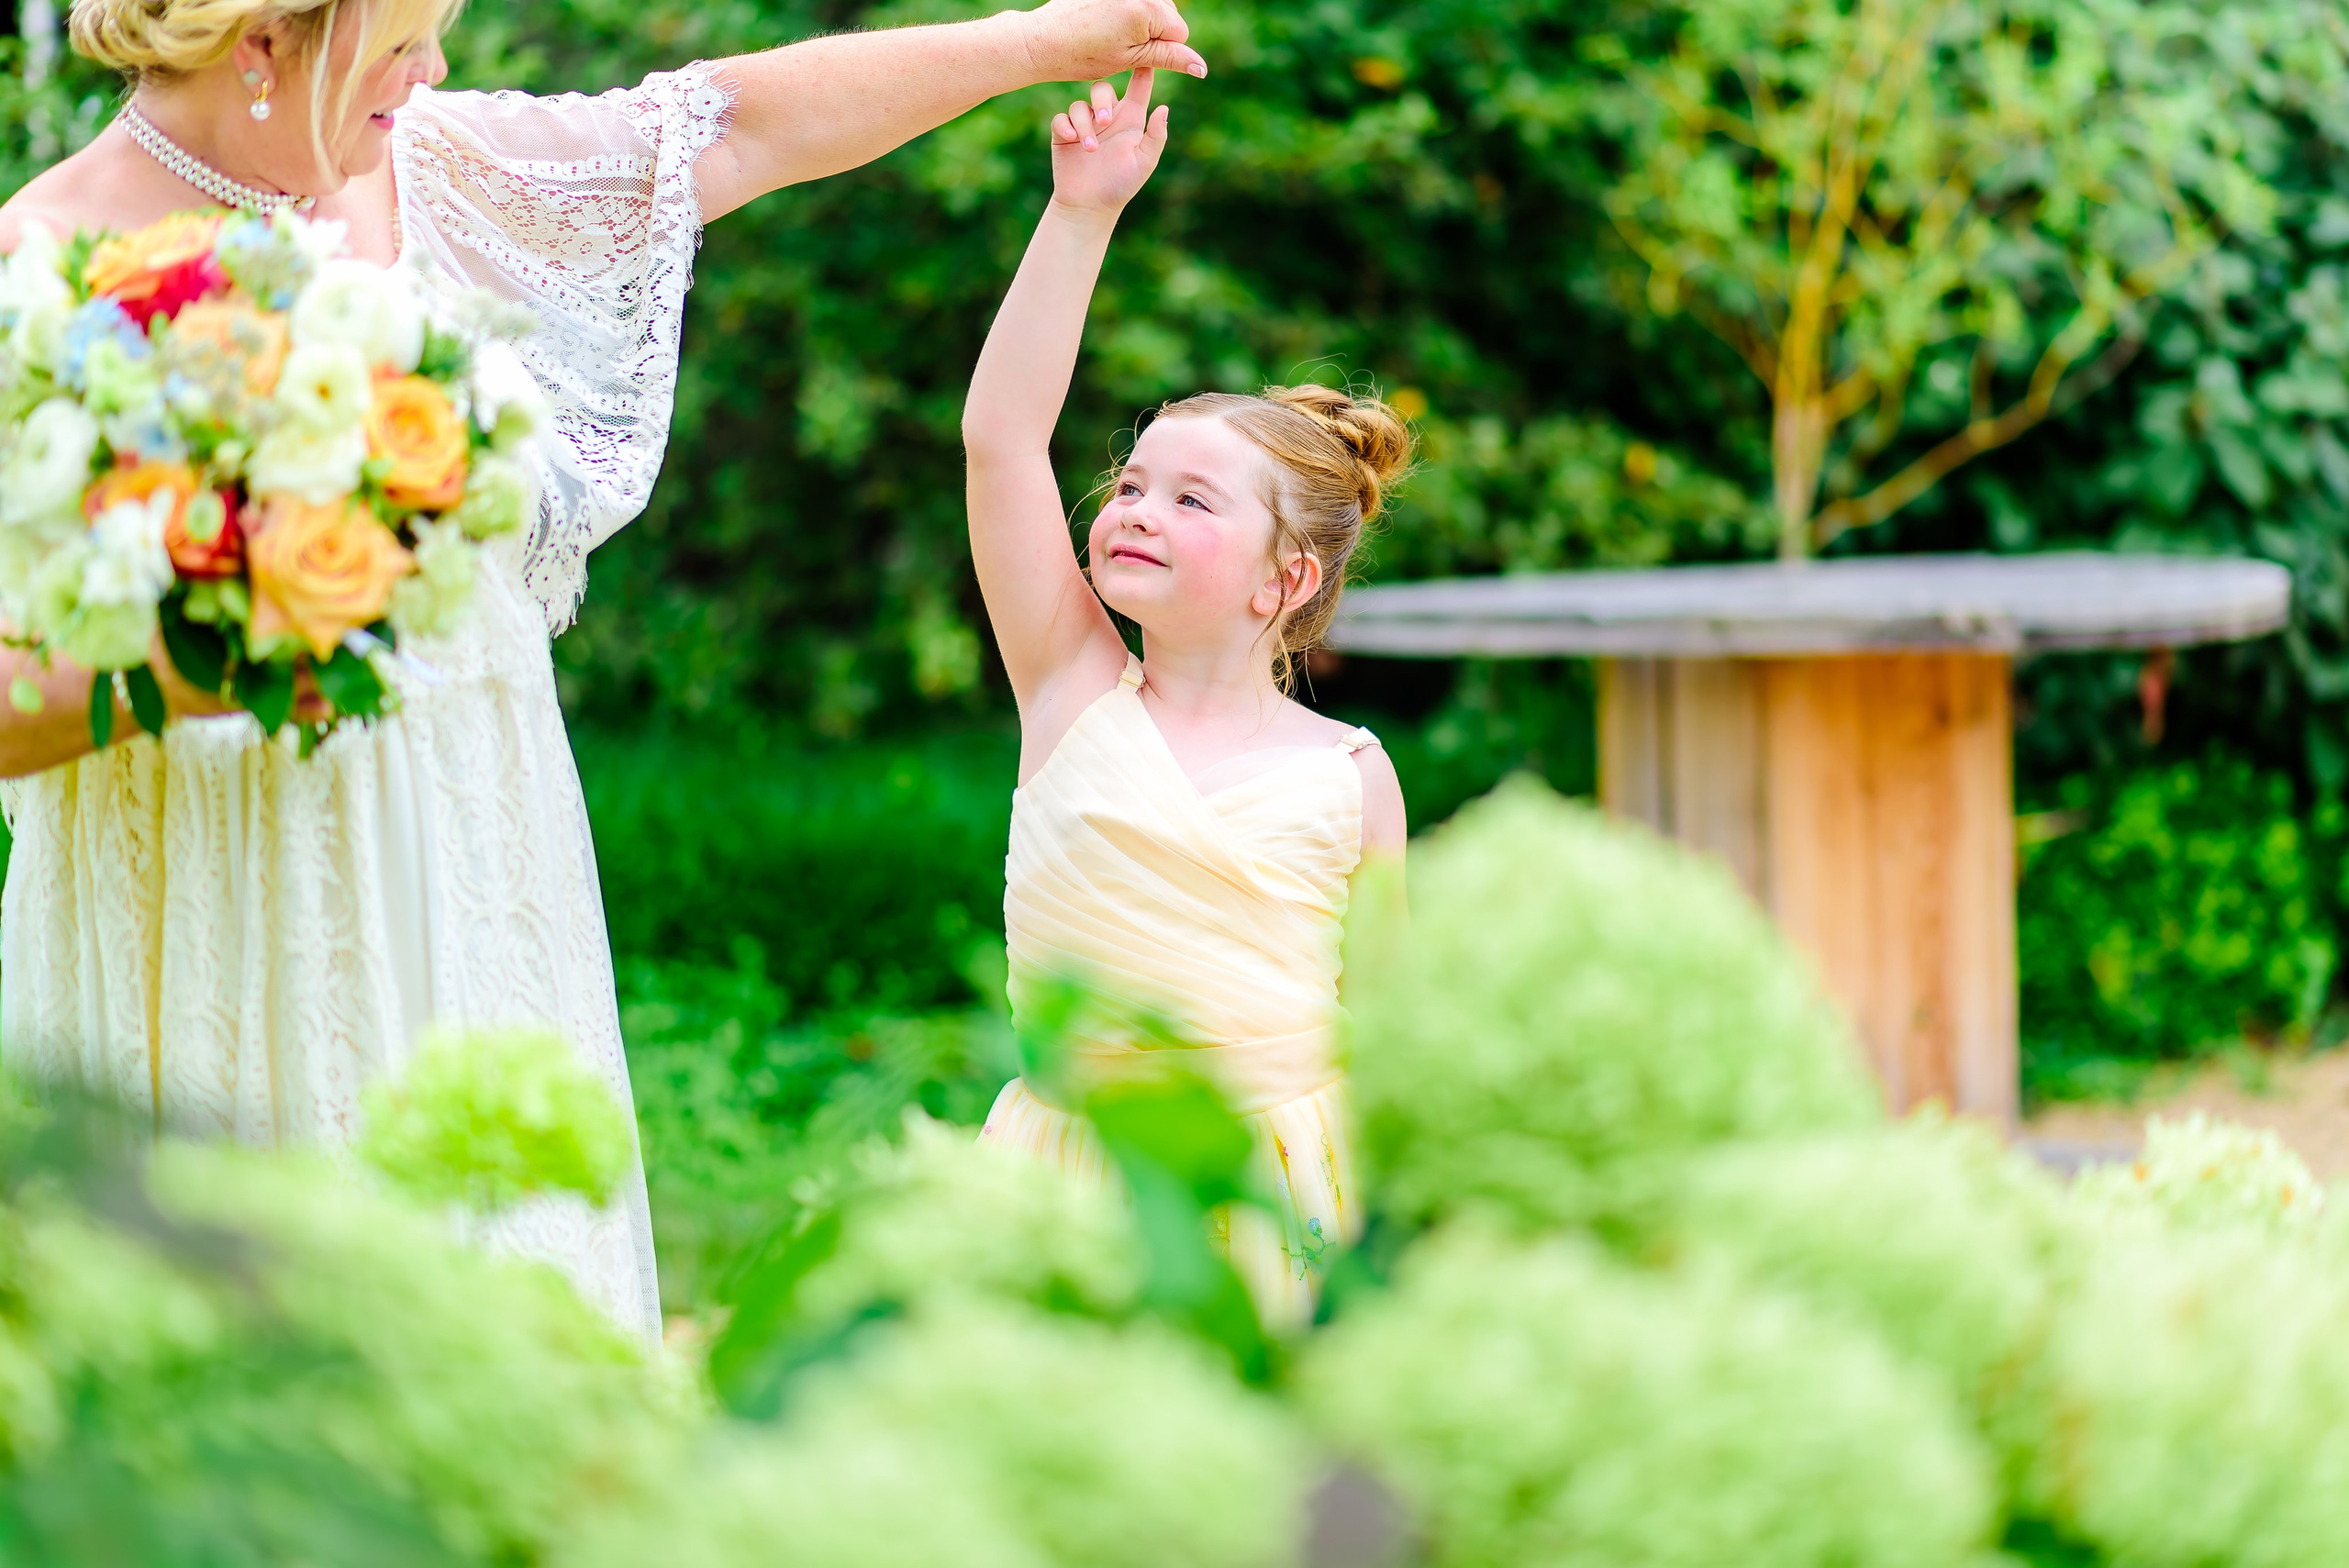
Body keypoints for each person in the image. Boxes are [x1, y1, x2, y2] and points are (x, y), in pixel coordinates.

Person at [0, 0, 1209, 1342]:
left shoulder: (433, 168)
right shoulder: (39, 275)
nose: (433, 71)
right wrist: (227, 645)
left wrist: (1042, 40)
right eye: (402, 44)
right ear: (262, 44)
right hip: (215, 915)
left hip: (475, 877)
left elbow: (735, 128)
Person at [961, 68, 1411, 1324]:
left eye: (1192, 499)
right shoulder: (1070, 686)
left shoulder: (1352, 776)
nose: (1138, 509)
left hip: (1285, 1186)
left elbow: (1390, 1025)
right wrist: (1081, 213)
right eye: (1132, 484)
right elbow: (1002, 442)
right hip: (1072, 1176)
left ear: (1286, 578)